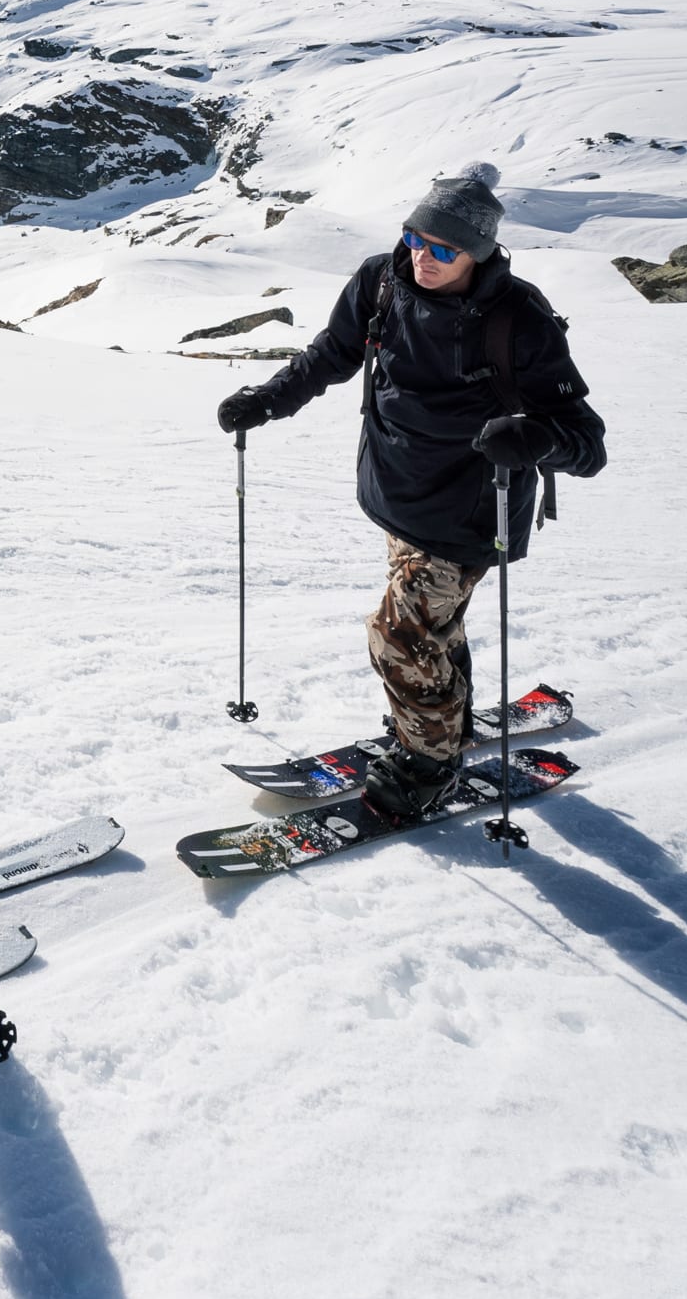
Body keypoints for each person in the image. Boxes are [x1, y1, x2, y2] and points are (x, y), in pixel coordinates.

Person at [216, 161, 606, 822]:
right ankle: (447, 712)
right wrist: (269, 400)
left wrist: (536, 438)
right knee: (429, 626)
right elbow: (331, 355)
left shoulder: (518, 318)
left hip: (470, 514)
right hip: (397, 493)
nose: (423, 257)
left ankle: (431, 765)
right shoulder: (381, 282)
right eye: (415, 238)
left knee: (398, 635)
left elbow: (587, 443)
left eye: (443, 250)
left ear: (477, 253)